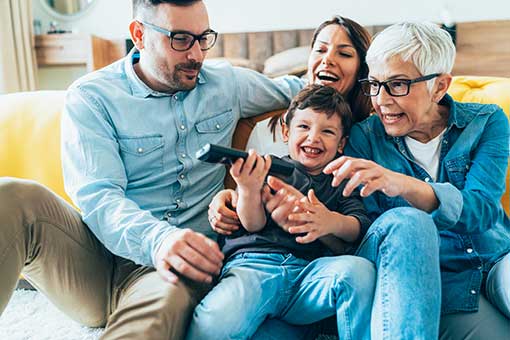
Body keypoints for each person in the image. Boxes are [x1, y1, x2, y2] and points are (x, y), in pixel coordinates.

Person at [0, 1, 305, 339]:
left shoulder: (227, 84)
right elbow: (98, 198)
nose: (197, 54)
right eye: (180, 39)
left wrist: (349, 76)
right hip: (95, 260)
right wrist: (159, 240)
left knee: (163, 296)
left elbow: (302, 95)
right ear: (139, 35)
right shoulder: (92, 97)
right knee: (10, 195)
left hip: (173, 268)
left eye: (203, 38)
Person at [322, 22, 510, 339]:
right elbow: (372, 232)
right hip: (439, 281)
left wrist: (404, 185)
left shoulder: (486, 121)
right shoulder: (364, 140)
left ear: (440, 86)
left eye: (397, 85)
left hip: (496, 257)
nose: (380, 100)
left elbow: (482, 211)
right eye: (374, 84)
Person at [187, 85, 375, 340]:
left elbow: (359, 227)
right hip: (255, 267)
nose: (313, 138)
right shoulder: (268, 168)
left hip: (309, 275)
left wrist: (328, 221)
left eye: (327, 131)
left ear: (341, 144)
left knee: (359, 271)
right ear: (286, 132)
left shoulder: (342, 180)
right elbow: (251, 224)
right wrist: (248, 188)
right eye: (304, 127)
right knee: (213, 324)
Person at [245, 15, 372, 157]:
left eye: (344, 53)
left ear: (362, 69)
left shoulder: (374, 134)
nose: (327, 59)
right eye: (320, 50)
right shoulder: (266, 132)